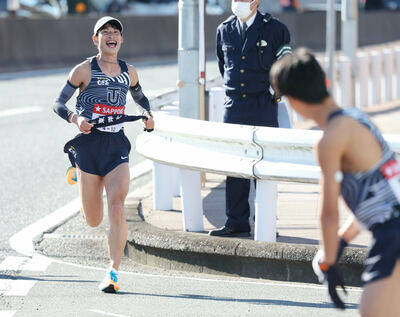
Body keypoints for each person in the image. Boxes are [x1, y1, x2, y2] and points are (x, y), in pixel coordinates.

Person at [270, 48, 400, 315]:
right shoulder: (356, 117)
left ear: (292, 101)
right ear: (325, 83)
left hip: (392, 233)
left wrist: (329, 262)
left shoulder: (329, 140)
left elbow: (328, 212)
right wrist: (340, 242)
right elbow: (380, 195)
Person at [53, 16, 154, 293]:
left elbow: (140, 97)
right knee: (94, 219)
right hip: (89, 144)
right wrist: (75, 119)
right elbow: (58, 103)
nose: (111, 36)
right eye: (105, 32)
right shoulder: (83, 70)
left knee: (118, 207)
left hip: (116, 145)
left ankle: (113, 272)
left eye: (116, 32)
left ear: (121, 40)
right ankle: (81, 177)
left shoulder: (129, 71)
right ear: (95, 39)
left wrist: (147, 114)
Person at [209, 0, 291, 237]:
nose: (237, 3)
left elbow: (285, 65)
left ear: (255, 2)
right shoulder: (224, 29)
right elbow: (223, 66)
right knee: (235, 166)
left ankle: (266, 222)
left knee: (264, 166)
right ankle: (236, 221)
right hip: (234, 105)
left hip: (262, 104)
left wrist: (273, 92)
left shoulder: (275, 29)